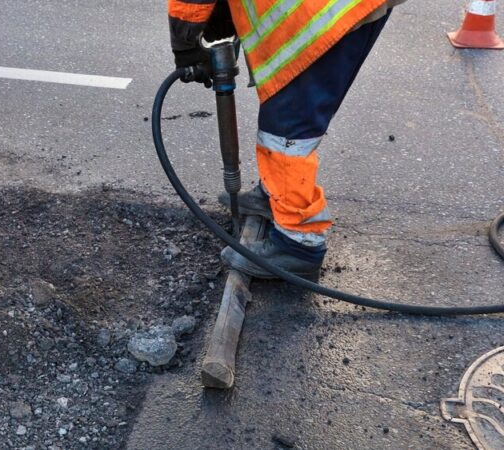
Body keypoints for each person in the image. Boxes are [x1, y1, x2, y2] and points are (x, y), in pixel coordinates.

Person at [167, 0, 405, 279]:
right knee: (285, 107)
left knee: (289, 124)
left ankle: (298, 244)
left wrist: (185, 42)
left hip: (322, 11)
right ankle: (276, 195)